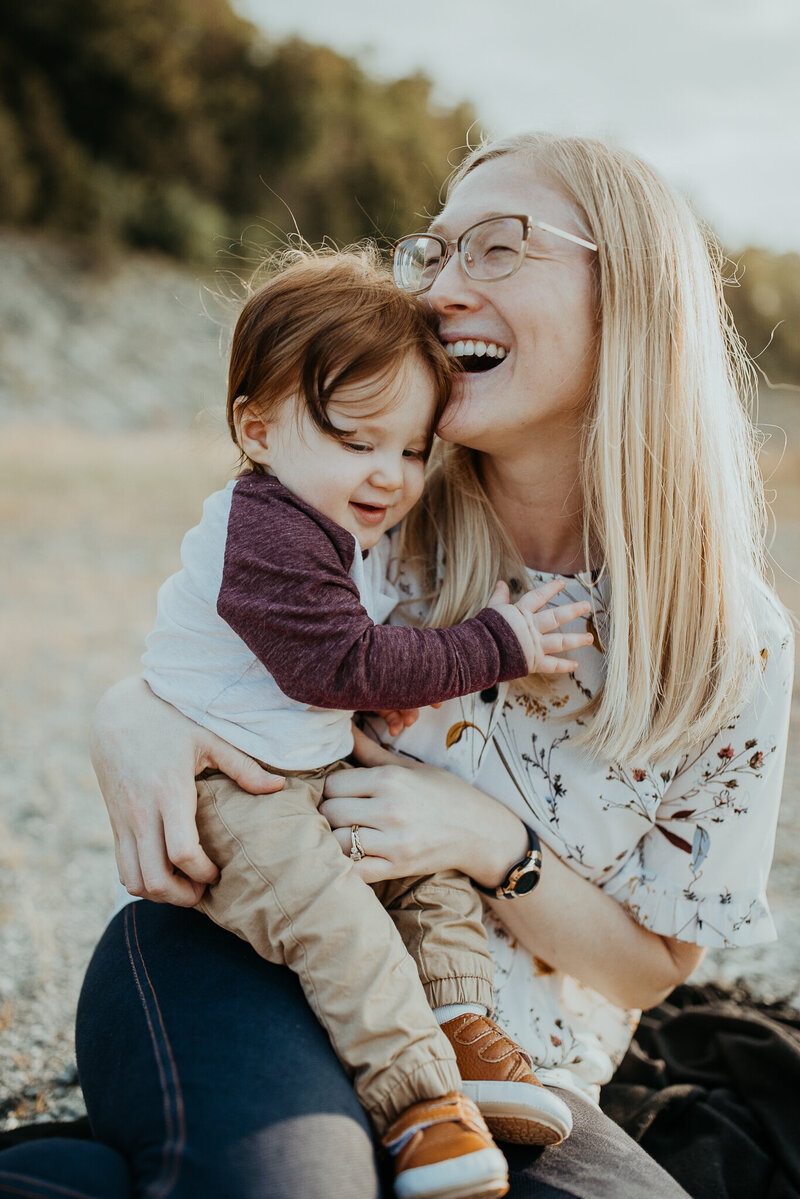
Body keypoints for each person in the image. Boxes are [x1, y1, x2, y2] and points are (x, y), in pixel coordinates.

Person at [0, 132, 792, 1199]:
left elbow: (650, 962)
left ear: (634, 291)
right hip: (256, 962)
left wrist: (489, 843)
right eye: (433, 251)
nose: (437, 290)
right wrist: (125, 710)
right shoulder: (369, 509)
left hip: (512, 1064)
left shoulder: (729, 640)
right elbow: (211, 653)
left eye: (496, 247)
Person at [138, 248, 588, 1198]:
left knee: (423, 867)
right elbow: (335, 659)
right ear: (255, 429)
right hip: (238, 791)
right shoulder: (263, 527)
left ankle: (465, 1030)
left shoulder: (323, 518)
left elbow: (324, 669)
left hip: (301, 759)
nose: (391, 473)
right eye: (356, 438)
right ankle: (418, 1102)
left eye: (415, 447)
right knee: (342, 925)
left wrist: (374, 702)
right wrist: (496, 642)